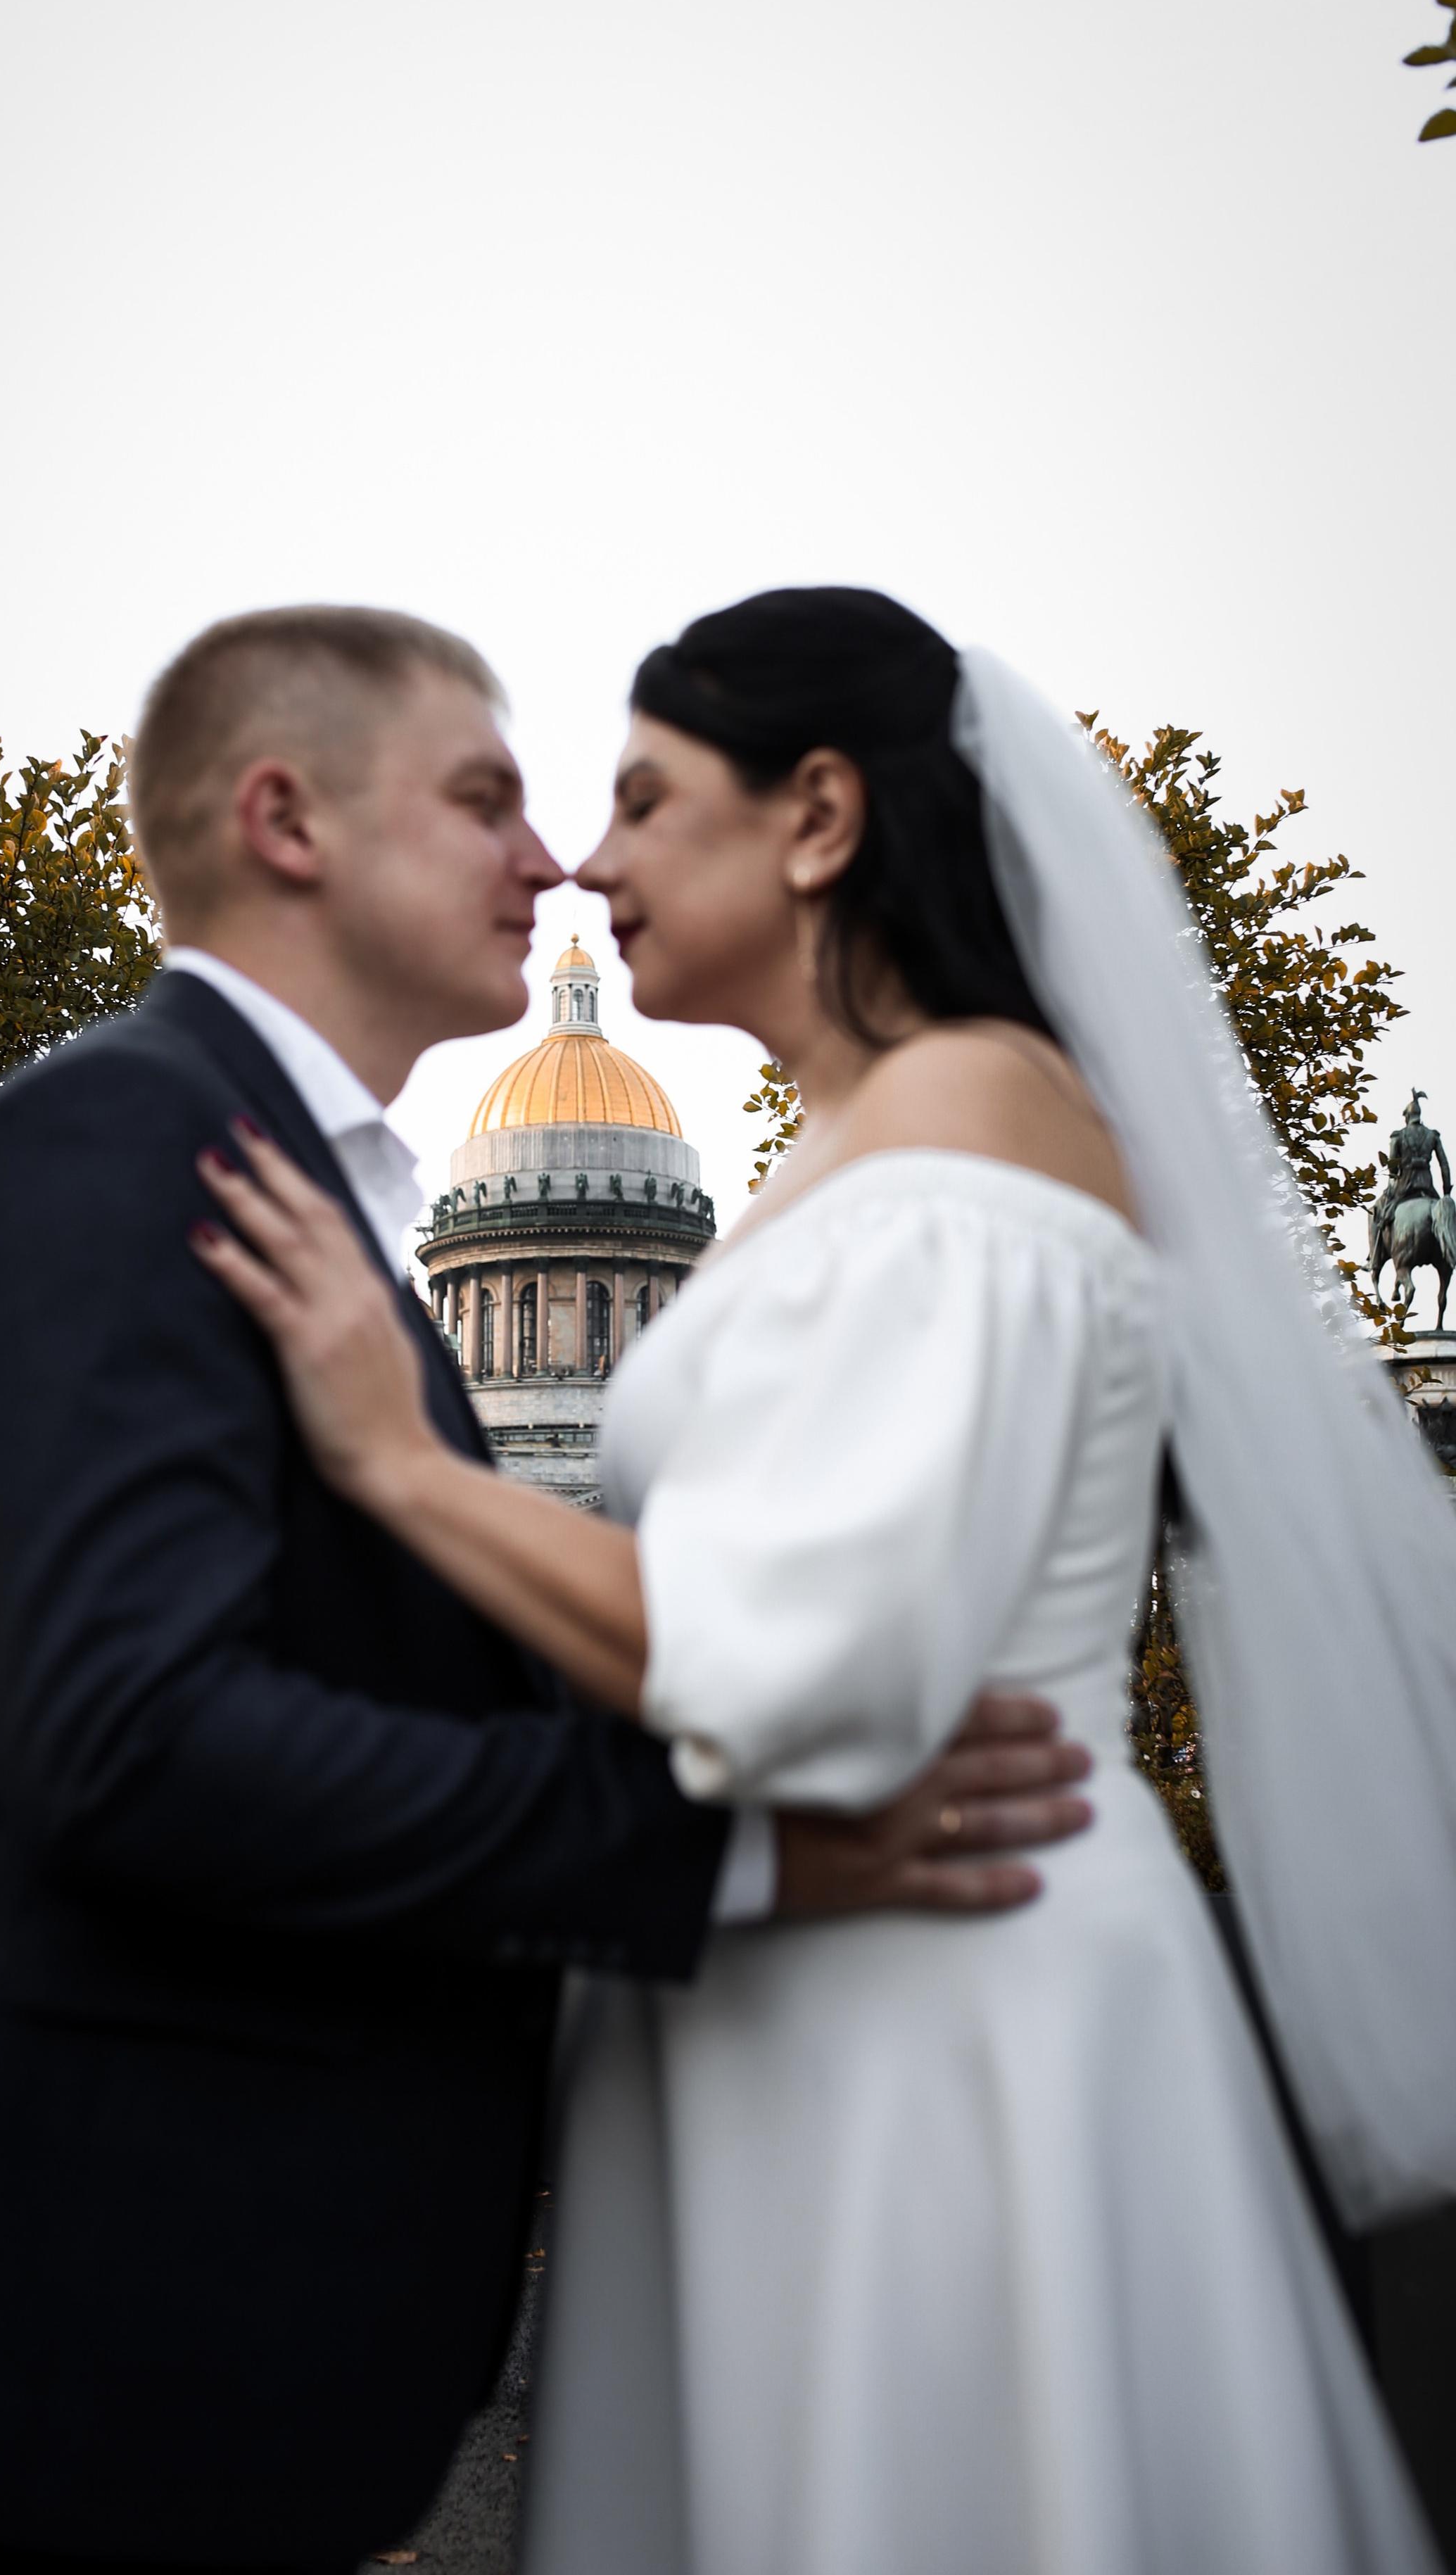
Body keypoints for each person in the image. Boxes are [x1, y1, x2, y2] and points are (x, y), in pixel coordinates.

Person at [0, 606, 1098, 2575]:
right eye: (488, 801)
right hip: (82, 2352)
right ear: (286, 821)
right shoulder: (125, 1152)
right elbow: (131, 1742)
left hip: (192, 2349)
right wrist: (729, 1854)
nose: (555, 864)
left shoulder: (320, 1212)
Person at [195, 588, 1456, 2575]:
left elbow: (791, 1662)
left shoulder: (965, 1113)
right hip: (827, 1977)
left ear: (819, 817)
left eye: (640, 800)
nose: (582, 867)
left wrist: (394, 1462)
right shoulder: (864, 1137)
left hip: (939, 1995)